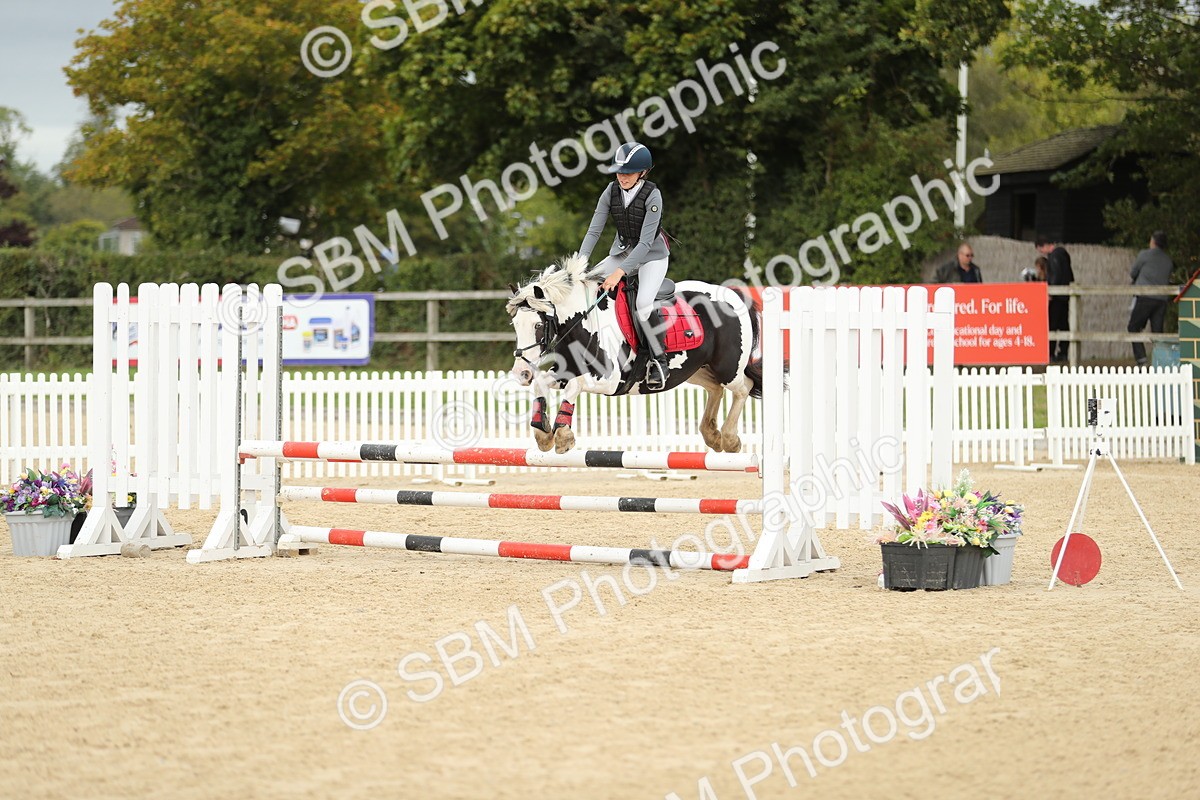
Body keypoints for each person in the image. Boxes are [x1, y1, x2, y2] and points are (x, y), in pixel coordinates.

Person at [578, 142, 672, 389]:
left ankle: (659, 360)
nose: (622, 177)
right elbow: (594, 230)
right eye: (619, 172)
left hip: (651, 256)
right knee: (585, 284)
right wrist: (580, 264)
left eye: (628, 172)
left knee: (642, 304)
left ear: (643, 172)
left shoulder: (653, 195)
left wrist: (619, 273)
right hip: (621, 252)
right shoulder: (611, 191)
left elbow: (644, 243)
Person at [1127, 230, 1174, 366]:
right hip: (1161, 300)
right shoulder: (1168, 261)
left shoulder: (1144, 255)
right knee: (1158, 334)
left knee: (1133, 327)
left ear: (1153, 241)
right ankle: (1161, 364)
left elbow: (1133, 272)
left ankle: (1142, 361)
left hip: (1145, 297)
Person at [1036, 238, 1074, 362]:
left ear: (1044, 246)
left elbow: (1055, 275)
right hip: (1065, 295)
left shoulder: (1054, 256)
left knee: (1051, 325)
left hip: (1057, 296)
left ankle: (1050, 353)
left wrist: (1051, 290)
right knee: (1064, 325)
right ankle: (1063, 352)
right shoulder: (1064, 255)